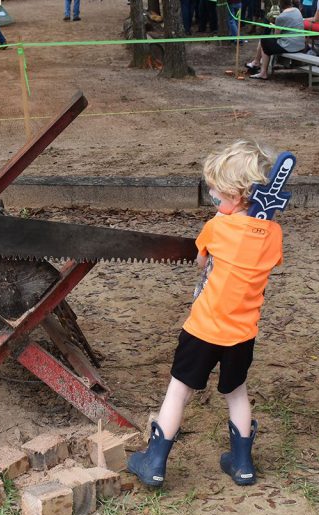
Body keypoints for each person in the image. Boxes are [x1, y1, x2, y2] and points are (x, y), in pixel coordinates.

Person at [128, 140, 283, 489]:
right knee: (237, 393)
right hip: (242, 333)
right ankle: (242, 465)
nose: (213, 199)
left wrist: (220, 222)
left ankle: (154, 462)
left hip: (203, 329)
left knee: (178, 391)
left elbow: (201, 260)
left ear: (238, 194)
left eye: (216, 195)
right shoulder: (273, 233)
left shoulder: (218, 227)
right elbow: (268, 260)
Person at [245, 0, 305, 80]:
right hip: (300, 44)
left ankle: (263, 72)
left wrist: (274, 26)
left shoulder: (281, 17)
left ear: (280, 4)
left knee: (264, 41)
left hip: (289, 45)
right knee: (264, 40)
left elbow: (276, 36)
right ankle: (256, 62)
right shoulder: (297, 11)